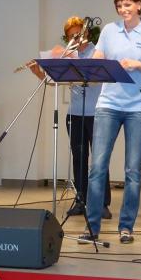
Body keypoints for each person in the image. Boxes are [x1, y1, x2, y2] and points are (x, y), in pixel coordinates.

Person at [81, 0, 141, 244]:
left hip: (138, 108)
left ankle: (126, 227)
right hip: (108, 104)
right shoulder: (109, 30)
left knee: (132, 171)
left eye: (127, 4)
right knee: (97, 167)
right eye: (119, 5)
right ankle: (92, 226)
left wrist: (140, 65)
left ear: (139, 5)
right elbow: (97, 61)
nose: (123, 9)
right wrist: (90, 61)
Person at [28, 16, 112, 219]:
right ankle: (81, 199)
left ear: (86, 33)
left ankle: (102, 203)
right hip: (75, 114)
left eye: (78, 34)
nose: (75, 38)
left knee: (99, 160)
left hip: (97, 113)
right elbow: (54, 81)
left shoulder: (97, 52)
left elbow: (97, 80)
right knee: (79, 158)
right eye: (71, 36)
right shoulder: (68, 54)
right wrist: (38, 72)